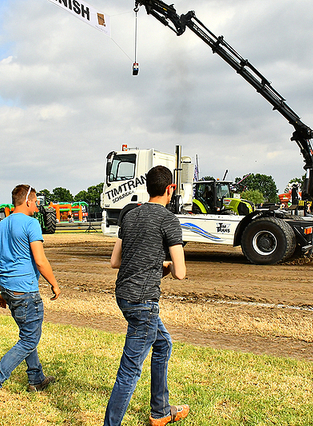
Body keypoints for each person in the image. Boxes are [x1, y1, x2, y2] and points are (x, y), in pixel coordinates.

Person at [104, 165, 188, 426]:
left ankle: (160, 410)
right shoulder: (168, 219)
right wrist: (167, 265)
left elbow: (115, 261)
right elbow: (181, 273)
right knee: (129, 371)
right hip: (143, 303)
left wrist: (157, 265)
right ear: (170, 189)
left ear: (148, 187)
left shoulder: (130, 216)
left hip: (125, 296)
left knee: (163, 344)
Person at [0, 184, 61, 419]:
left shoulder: (0, 226)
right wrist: (54, 283)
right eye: (36, 201)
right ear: (28, 201)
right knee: (29, 338)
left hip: (9, 290)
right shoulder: (31, 224)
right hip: (26, 291)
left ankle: (36, 378)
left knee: (27, 334)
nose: (38, 205)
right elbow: (40, 261)